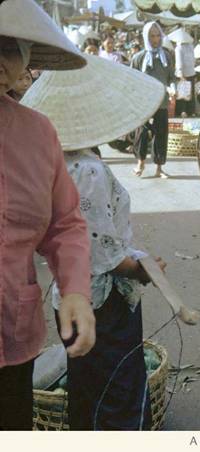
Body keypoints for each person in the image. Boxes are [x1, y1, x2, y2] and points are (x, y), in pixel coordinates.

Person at [22, 53, 168, 430]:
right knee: (118, 389)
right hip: (101, 299)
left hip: (67, 297)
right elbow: (98, 250)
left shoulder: (50, 161)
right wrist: (141, 269)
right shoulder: (87, 169)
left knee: (86, 387)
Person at [0, 0, 95, 430]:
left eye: (9, 47)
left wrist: (75, 290)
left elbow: (65, 223)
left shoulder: (38, 133)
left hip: (12, 335)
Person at [131, 21, 175, 178]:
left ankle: (159, 168)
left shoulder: (167, 57)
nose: (155, 39)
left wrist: (172, 88)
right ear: (146, 36)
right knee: (141, 133)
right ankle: (140, 163)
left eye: (157, 35)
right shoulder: (139, 57)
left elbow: (171, 78)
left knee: (161, 134)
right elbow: (132, 79)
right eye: (151, 35)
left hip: (161, 102)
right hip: (144, 103)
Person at [171, 28, 196, 117]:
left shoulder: (179, 48)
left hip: (182, 73)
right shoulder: (191, 47)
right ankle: (191, 111)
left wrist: (180, 73)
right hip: (191, 72)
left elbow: (179, 62)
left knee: (182, 93)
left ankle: (182, 111)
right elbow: (193, 60)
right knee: (190, 93)